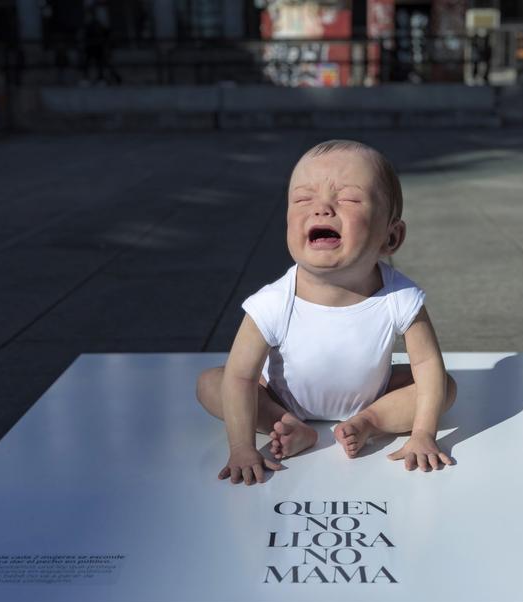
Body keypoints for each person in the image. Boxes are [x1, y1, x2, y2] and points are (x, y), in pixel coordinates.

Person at [196, 140, 458, 487]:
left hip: (371, 396)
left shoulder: (400, 296)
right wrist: (242, 447)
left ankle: (369, 422)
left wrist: (424, 432)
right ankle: (286, 422)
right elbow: (243, 377)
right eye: (304, 199)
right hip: (282, 396)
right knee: (214, 383)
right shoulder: (273, 302)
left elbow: (426, 364)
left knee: (443, 385)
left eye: (348, 199)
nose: (322, 209)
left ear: (391, 237)